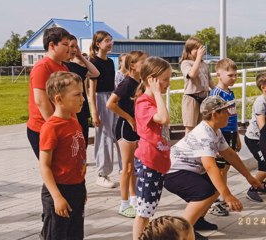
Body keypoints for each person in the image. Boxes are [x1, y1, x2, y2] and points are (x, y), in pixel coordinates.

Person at [164, 95, 262, 240]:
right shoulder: (204, 133)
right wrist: (228, 196)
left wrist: (249, 177)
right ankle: (182, 232)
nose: (229, 114)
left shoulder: (215, 130)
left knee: (215, 188)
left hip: (187, 170)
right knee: (204, 191)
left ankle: (197, 221)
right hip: (173, 173)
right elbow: (210, 166)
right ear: (215, 114)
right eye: (225, 111)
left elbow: (230, 155)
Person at [39, 71, 87, 240]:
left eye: (83, 93)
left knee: (75, 234)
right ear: (59, 99)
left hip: (77, 189)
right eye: (77, 95)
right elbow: (44, 165)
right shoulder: (51, 127)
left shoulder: (74, 121)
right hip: (59, 190)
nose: (83, 99)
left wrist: (82, 188)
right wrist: (57, 197)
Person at [132, 57, 172, 240]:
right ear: (152, 80)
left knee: (149, 209)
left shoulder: (153, 101)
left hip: (157, 163)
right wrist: (157, 92)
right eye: (165, 79)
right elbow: (164, 118)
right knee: (144, 211)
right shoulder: (144, 103)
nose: (169, 83)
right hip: (148, 163)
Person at [107, 51, 148, 218]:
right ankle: (123, 204)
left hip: (135, 127)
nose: (146, 65)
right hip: (125, 128)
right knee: (127, 168)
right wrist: (129, 118)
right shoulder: (127, 83)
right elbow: (111, 104)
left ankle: (133, 199)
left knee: (134, 168)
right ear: (133, 65)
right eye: (143, 62)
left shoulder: (141, 83)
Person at [27, 26, 70, 160]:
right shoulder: (42, 67)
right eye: (65, 45)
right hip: (43, 128)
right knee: (53, 172)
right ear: (52, 45)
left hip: (61, 124)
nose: (69, 49)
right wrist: (57, 127)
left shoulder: (64, 67)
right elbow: (41, 102)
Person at [208, 58, 241, 216]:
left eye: (236, 75)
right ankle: (213, 201)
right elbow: (211, 119)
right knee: (219, 169)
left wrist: (237, 135)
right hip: (221, 134)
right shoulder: (216, 94)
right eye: (230, 75)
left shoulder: (230, 92)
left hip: (231, 133)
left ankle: (221, 196)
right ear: (218, 75)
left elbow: (233, 115)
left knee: (225, 168)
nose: (234, 78)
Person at [89, 30, 121, 188]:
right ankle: (102, 174)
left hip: (111, 98)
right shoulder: (93, 62)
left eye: (111, 40)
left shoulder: (109, 62)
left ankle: (124, 168)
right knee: (104, 136)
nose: (110, 43)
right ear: (98, 43)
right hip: (100, 99)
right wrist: (94, 111)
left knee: (118, 133)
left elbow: (112, 83)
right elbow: (91, 89)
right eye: (107, 41)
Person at [64, 34, 100, 147]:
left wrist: (81, 57)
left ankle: (83, 164)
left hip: (81, 110)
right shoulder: (61, 67)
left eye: (76, 47)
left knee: (82, 143)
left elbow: (95, 73)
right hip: (69, 111)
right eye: (72, 46)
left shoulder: (75, 66)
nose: (74, 49)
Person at [180, 37, 215, 134]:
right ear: (189, 50)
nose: (200, 50)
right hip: (191, 97)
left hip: (204, 97)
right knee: (190, 127)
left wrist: (218, 91)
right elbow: (192, 74)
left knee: (202, 126)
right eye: (196, 48)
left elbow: (210, 80)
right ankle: (188, 148)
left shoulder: (204, 64)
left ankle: (199, 147)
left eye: (201, 48)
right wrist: (198, 58)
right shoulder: (185, 63)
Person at [244, 72, 266, 202]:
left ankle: (261, 185)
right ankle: (252, 189)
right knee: (265, 165)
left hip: (262, 138)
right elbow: (262, 127)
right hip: (255, 139)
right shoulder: (260, 102)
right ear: (264, 87)